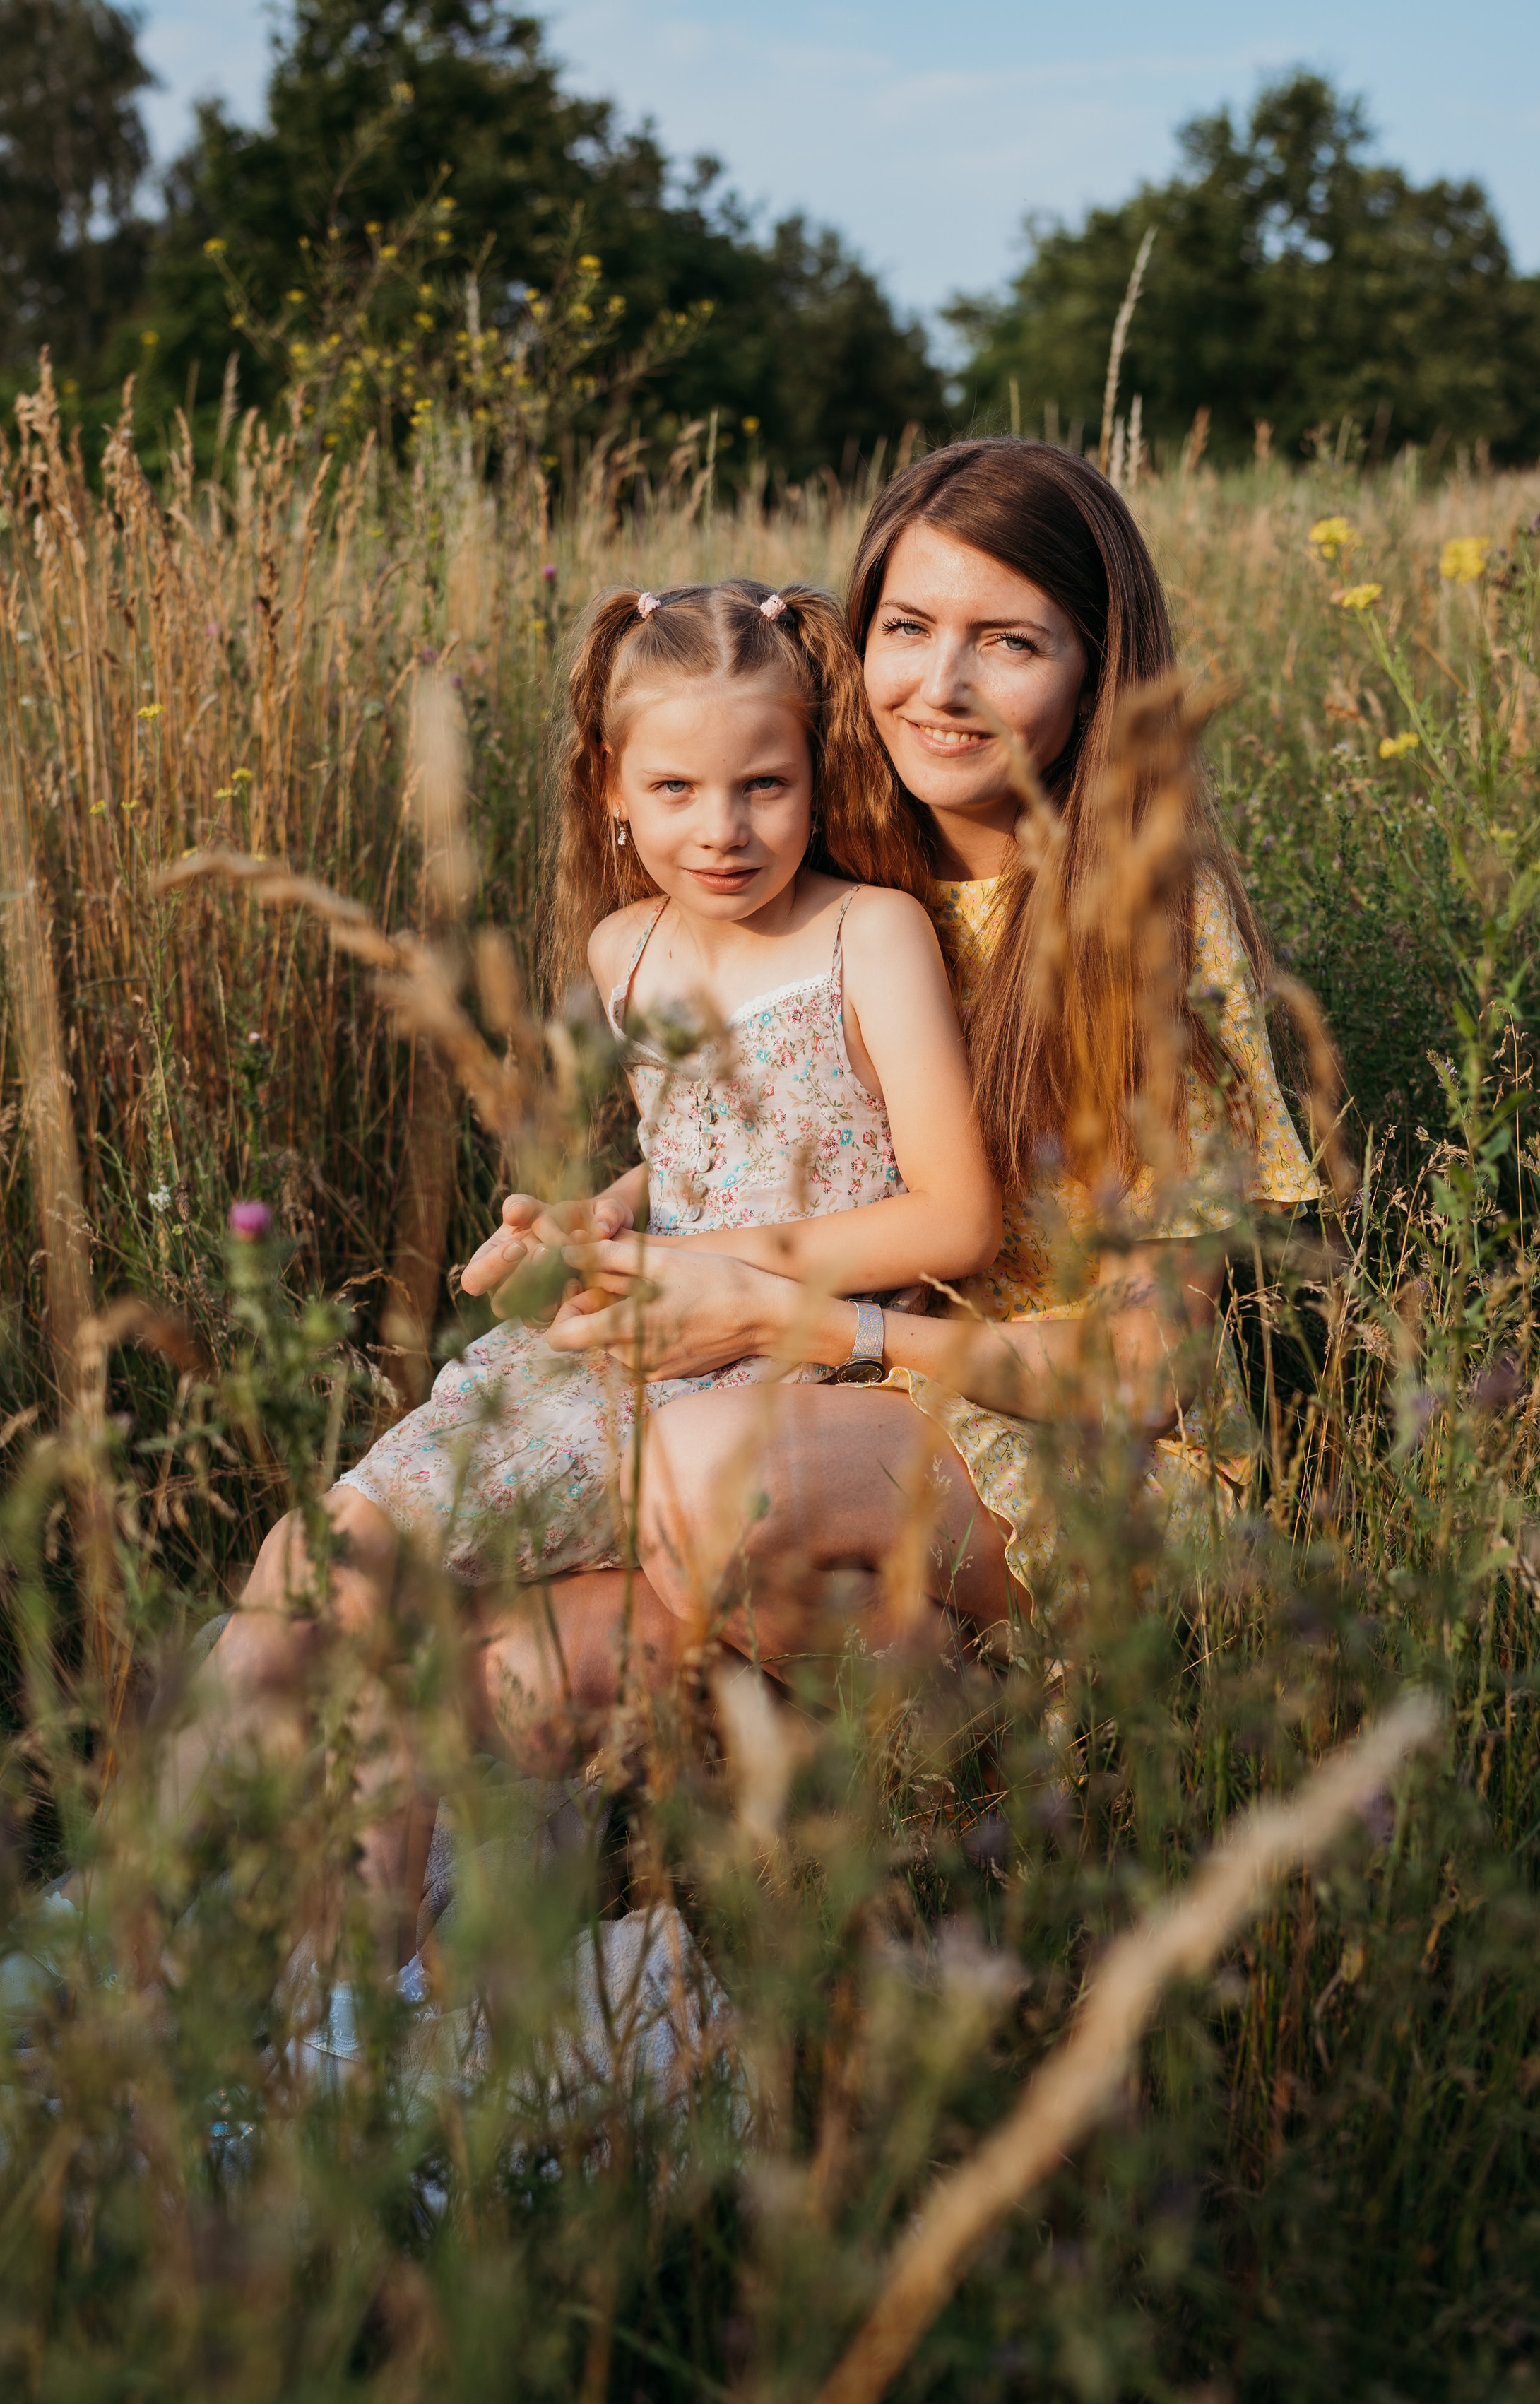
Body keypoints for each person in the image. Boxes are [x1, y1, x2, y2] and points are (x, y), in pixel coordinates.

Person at [176, 575, 998, 1945]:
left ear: (816, 773)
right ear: (608, 788)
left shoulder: (869, 934)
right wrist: (581, 1231)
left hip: (767, 1383)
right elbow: (676, 1167)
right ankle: (312, 1965)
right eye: (673, 790)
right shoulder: (625, 951)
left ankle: (296, 1973)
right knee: (302, 1574)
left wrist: (706, 1266)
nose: (721, 831)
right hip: (617, 1354)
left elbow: (951, 1220)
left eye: (763, 786)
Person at [468, 441, 1322, 1706]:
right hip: (858, 1399)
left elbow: (1146, 1370)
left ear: (1098, 673)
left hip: (1096, 1458)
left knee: (708, 1472)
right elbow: (837, 1116)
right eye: (909, 627)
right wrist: (630, 1212)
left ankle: (990, 1783)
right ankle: (813, 1793)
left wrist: (789, 1312)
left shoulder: (1150, 927)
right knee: (523, 1660)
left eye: (1012, 644)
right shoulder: (857, 858)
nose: (941, 685)